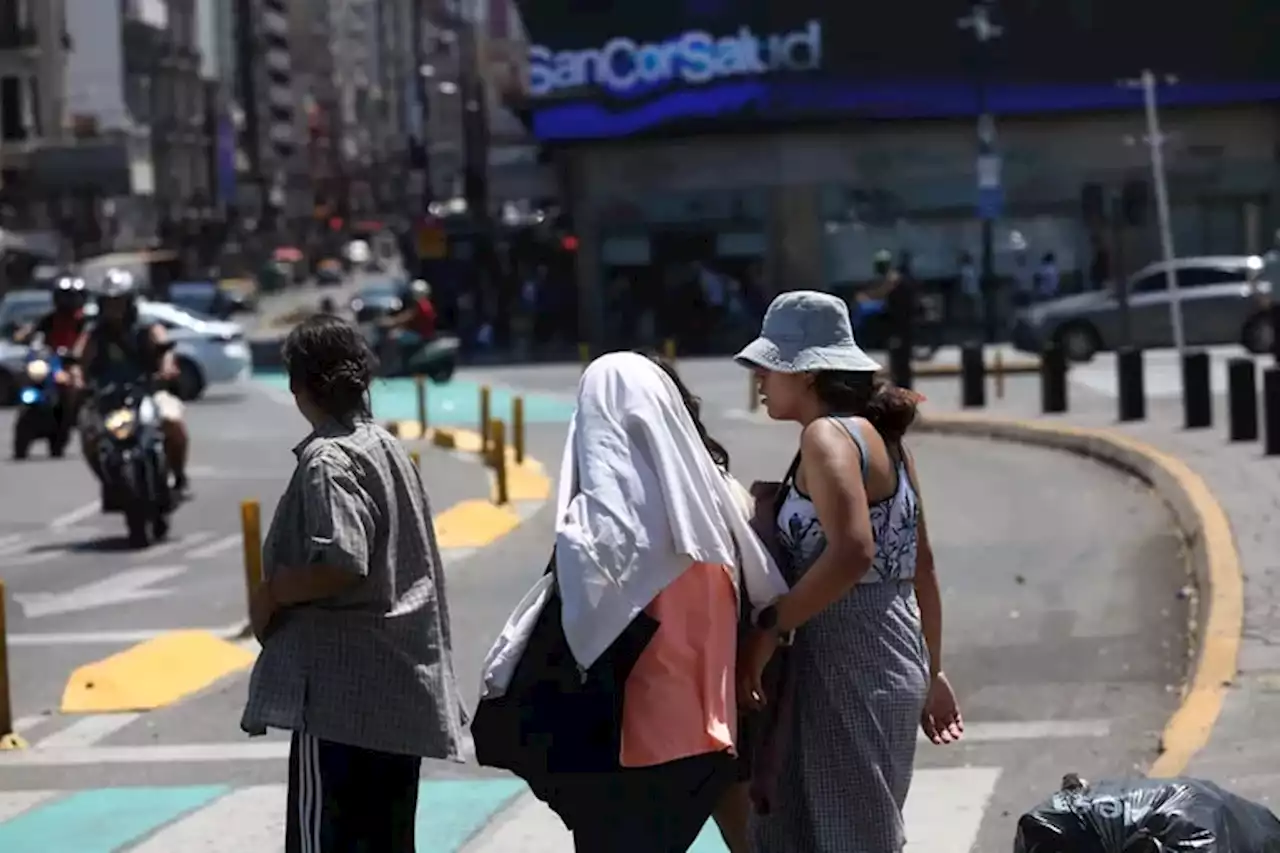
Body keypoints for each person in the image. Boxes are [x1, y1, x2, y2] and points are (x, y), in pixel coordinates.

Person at [482, 351, 788, 852]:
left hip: (632, 752)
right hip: (712, 739)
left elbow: (580, 637)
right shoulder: (716, 504)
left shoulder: (601, 530)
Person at [734, 291, 963, 853]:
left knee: (851, 839)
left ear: (807, 374)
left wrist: (771, 626)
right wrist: (931, 670)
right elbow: (921, 566)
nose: (760, 379)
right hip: (889, 650)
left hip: (848, 657)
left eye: (770, 366)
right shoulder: (882, 438)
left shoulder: (826, 436)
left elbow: (853, 552)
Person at [241, 314, 467, 853]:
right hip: (397, 691)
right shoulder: (384, 447)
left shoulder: (328, 459)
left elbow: (344, 561)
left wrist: (272, 593)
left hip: (339, 699)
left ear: (299, 386)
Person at [73, 269, 190, 496]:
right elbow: (79, 358)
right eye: (109, 303)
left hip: (148, 392)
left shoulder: (147, 326)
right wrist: (77, 378)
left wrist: (166, 367)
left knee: (172, 422)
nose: (114, 308)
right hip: (107, 399)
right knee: (90, 437)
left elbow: (164, 348)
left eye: (119, 302)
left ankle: (178, 475)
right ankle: (109, 483)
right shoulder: (94, 332)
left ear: (130, 302)